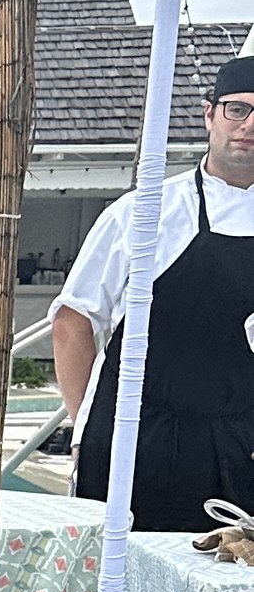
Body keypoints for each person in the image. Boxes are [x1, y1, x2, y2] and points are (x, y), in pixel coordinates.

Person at [54, 55, 254, 529]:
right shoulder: (145, 211)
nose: (249, 125)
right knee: (119, 587)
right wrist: (89, 422)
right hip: (133, 438)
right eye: (238, 110)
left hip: (238, 444)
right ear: (209, 114)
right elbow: (74, 320)